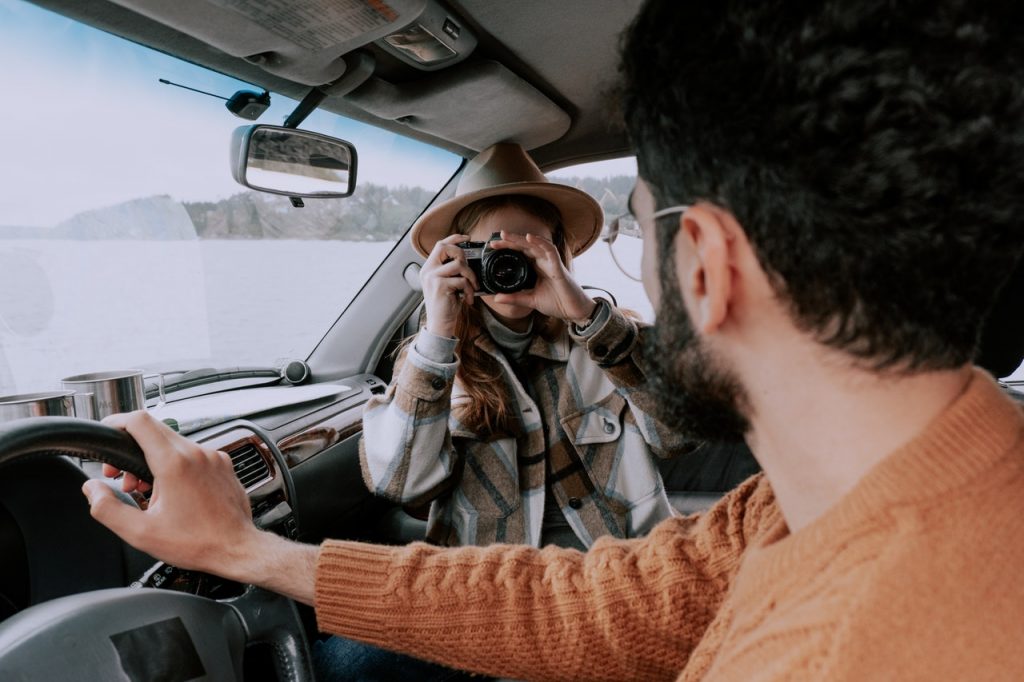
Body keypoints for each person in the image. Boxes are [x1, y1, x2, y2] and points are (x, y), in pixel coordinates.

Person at [83, 0, 1024, 679]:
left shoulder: (852, 642)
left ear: (703, 266)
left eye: (645, 235)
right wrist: (248, 552)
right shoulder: (792, 508)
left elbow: (656, 452)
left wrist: (584, 312)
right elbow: (598, 602)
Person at [315, 142, 697, 679]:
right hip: (487, 599)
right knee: (340, 665)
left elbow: (682, 434)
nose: (508, 264)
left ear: (560, 254)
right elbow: (397, 483)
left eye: (528, 248)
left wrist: (585, 317)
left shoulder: (613, 342)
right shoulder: (431, 362)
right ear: (459, 260)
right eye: (490, 251)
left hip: (614, 587)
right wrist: (438, 331)